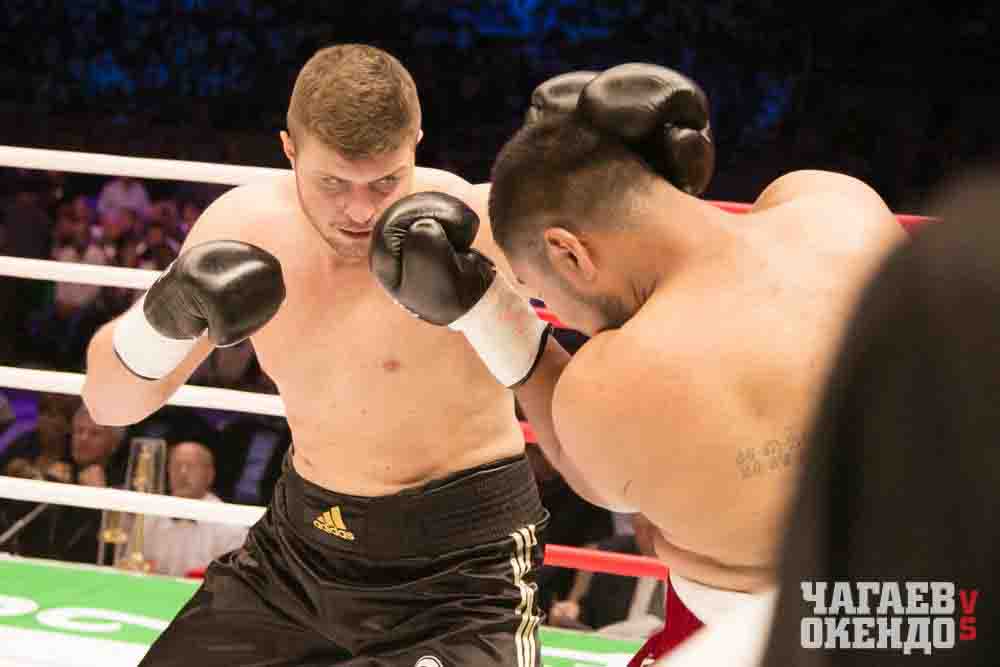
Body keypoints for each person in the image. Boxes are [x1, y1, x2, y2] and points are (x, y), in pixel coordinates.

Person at [369, 63, 907, 664]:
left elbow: (594, 475)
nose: (558, 313)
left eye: (540, 291)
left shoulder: (620, 380)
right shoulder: (834, 204)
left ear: (569, 253)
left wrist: (489, 314)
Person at [83, 43, 558, 666]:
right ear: (289, 151)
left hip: (462, 574)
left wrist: (491, 304)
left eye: (385, 181)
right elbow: (110, 404)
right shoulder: (244, 229)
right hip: (299, 555)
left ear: (416, 143)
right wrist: (160, 320)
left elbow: (614, 359)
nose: (361, 211)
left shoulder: (475, 225)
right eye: (333, 183)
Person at [143, 441, 248, 577]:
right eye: (176, 466)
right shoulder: (151, 515)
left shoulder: (230, 525)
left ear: (210, 475)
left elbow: (233, 579)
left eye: (191, 466)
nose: (182, 472)